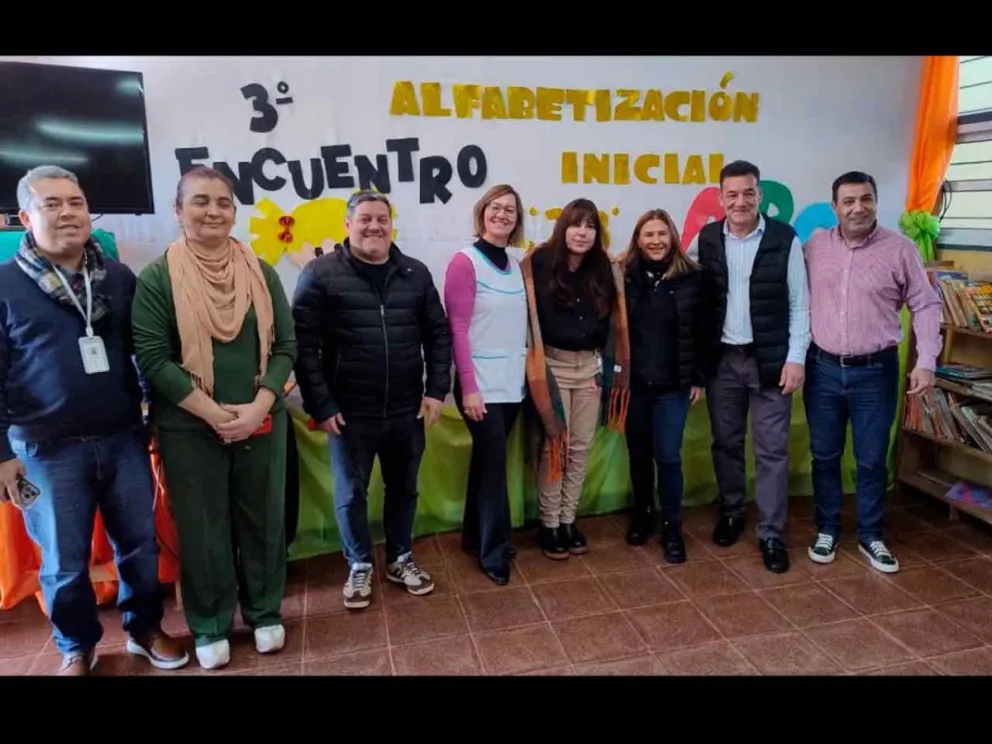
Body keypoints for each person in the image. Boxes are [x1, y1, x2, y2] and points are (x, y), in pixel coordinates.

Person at [0, 165, 188, 676]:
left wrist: (155, 416)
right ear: (25, 218)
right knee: (63, 559)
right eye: (52, 204)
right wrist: (2, 454)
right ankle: (76, 645)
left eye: (76, 203)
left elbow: (145, 354)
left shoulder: (118, 278)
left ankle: (144, 630)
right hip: (45, 451)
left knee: (139, 545)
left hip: (123, 437)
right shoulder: (6, 284)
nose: (68, 213)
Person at [131, 166, 297, 669]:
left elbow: (286, 346)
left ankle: (265, 612)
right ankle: (209, 624)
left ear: (234, 211)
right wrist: (214, 414)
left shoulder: (262, 272)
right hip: (189, 427)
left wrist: (259, 406)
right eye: (200, 201)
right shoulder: (158, 278)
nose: (213, 211)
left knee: (263, 520)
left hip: (260, 421)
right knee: (203, 528)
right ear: (178, 210)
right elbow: (153, 357)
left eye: (223, 202)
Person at [292, 190, 451, 609]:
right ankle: (359, 564)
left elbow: (438, 334)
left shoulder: (415, 273)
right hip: (349, 413)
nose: (374, 226)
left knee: (404, 489)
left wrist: (437, 389)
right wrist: (321, 405)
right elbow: (302, 347)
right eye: (365, 218)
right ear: (348, 225)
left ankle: (400, 558)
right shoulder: (319, 274)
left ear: (391, 225)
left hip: (407, 409)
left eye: (382, 219)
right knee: (351, 494)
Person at [803, 171, 942, 574]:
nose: (857, 208)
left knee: (870, 458)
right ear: (835, 207)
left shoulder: (900, 249)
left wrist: (926, 361)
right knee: (824, 454)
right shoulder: (815, 246)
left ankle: (871, 535)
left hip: (875, 372)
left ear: (876, 202)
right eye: (848, 201)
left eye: (865, 199)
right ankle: (827, 529)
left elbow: (926, 304)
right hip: (822, 369)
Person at [687, 159, 810, 574]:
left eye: (748, 193)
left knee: (772, 449)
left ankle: (772, 532)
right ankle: (732, 512)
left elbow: (800, 303)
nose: (740, 201)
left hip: (770, 362)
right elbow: (680, 279)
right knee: (726, 442)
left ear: (760, 195)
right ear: (721, 198)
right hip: (722, 361)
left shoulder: (784, 239)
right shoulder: (705, 239)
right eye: (732, 194)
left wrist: (796, 358)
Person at [520, 198, 630, 560]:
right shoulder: (539, 263)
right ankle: (549, 523)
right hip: (550, 367)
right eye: (576, 224)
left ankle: (569, 519)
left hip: (590, 369)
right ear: (563, 227)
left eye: (590, 226)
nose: (582, 233)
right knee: (555, 447)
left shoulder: (605, 268)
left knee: (581, 448)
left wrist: (602, 369)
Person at [444, 184, 528, 585]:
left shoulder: (517, 265)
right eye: (495, 207)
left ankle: (473, 536)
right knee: (495, 467)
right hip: (478, 385)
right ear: (482, 213)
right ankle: (494, 551)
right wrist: (469, 386)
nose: (502, 214)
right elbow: (457, 328)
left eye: (510, 209)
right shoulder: (465, 262)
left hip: (511, 383)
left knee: (486, 460)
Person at [621, 209, 706, 563]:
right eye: (649, 235)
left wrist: (699, 378)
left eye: (662, 233)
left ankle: (672, 526)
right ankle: (643, 514)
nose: (656, 241)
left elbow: (702, 331)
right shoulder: (625, 278)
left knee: (668, 456)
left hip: (673, 386)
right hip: (635, 386)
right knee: (639, 454)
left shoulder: (692, 278)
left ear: (673, 237)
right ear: (638, 241)